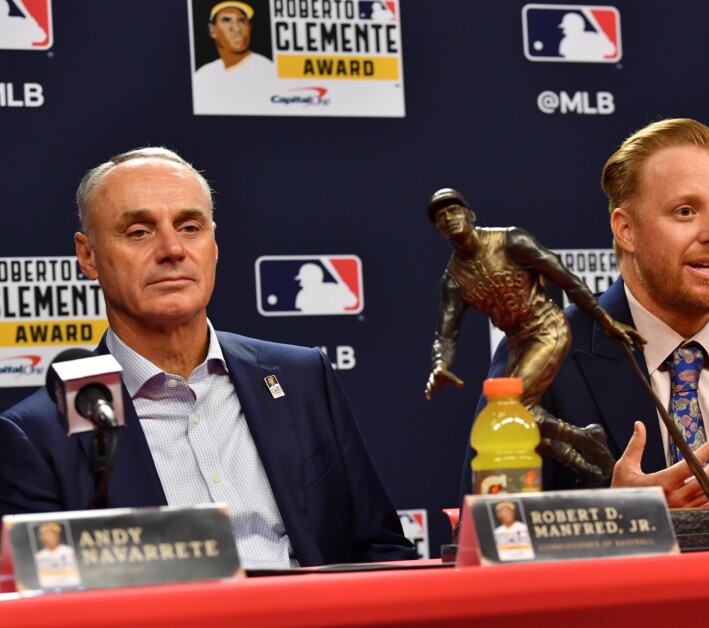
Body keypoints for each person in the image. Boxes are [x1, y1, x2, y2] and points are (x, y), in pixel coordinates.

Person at [0, 147, 414, 568]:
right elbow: (49, 602)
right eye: (139, 232)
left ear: (213, 243)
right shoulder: (39, 434)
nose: (172, 249)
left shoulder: (302, 377)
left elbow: (381, 549)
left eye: (190, 227)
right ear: (88, 256)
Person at [480, 118, 709, 535]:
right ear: (626, 230)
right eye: (685, 212)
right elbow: (492, 539)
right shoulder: (541, 361)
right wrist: (615, 522)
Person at [425, 188, 645, 486]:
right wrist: (440, 365)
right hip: (518, 342)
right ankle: (587, 457)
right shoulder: (453, 279)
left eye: (454, 211)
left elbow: (565, 278)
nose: (449, 218)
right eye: (441, 217)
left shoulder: (509, 240)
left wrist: (606, 320)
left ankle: (584, 446)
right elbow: (446, 334)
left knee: (512, 409)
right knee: (511, 425)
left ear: (470, 215)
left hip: (546, 327)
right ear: (438, 229)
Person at [193, 1, 275, 112]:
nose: (236, 28)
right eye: (226, 20)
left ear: (249, 27)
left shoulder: (265, 69)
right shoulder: (204, 73)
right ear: (212, 30)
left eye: (241, 20)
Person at [33, 522, 80, 589]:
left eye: (52, 535)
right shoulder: (39, 555)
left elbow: (74, 577)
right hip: (47, 590)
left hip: (69, 588)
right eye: (47, 535)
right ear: (42, 539)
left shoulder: (68, 551)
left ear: (58, 537)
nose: (50, 538)